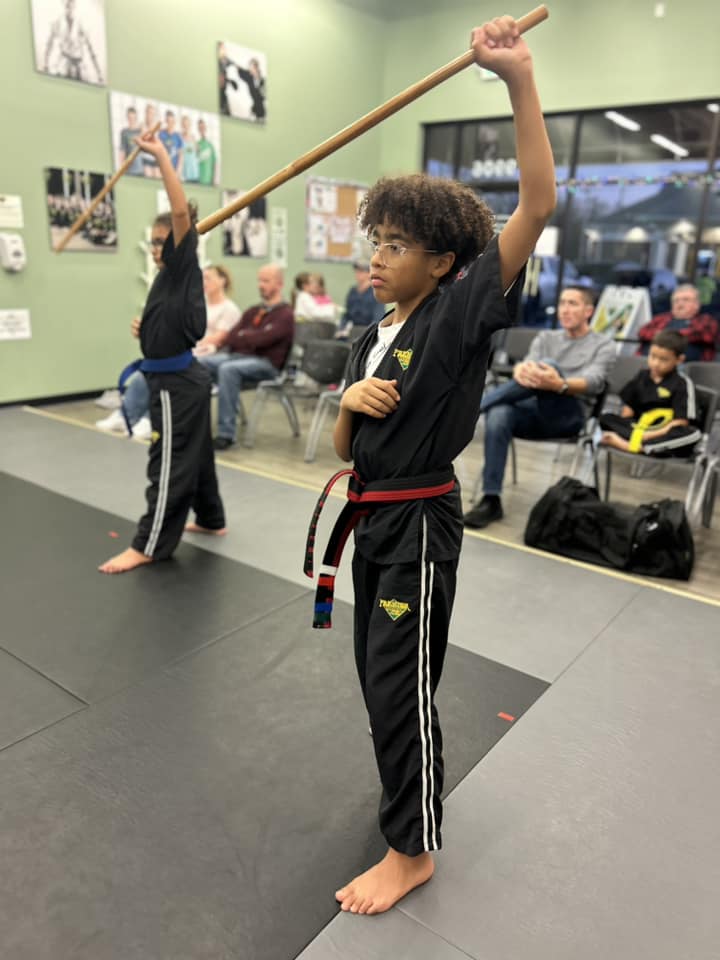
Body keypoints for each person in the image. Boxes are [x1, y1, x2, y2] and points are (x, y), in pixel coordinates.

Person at [314, 15, 556, 915]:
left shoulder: (457, 318)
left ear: (444, 260)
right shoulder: (369, 332)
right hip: (369, 513)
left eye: (396, 245)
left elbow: (536, 206)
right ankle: (403, 795)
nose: (376, 257)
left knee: (399, 682)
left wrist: (517, 79)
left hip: (417, 525)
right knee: (380, 680)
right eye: (374, 240)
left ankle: (412, 849)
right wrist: (349, 403)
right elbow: (344, 452)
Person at [99, 130, 225, 574]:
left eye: (162, 241)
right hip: (178, 378)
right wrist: (147, 329)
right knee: (197, 455)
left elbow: (179, 211)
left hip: (176, 385)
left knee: (168, 461)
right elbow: (174, 322)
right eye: (152, 242)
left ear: (177, 241)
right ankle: (211, 518)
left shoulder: (182, 263)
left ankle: (150, 543)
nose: (156, 248)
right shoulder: (167, 279)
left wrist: (159, 156)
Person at [463, 286, 616, 529]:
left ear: (588, 311)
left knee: (548, 364)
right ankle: (491, 500)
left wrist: (560, 384)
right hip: (534, 410)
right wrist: (520, 370)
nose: (565, 309)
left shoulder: (603, 345)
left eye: (573, 303)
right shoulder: (546, 338)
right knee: (500, 412)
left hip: (569, 415)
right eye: (562, 303)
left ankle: (473, 409)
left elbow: (594, 381)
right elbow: (525, 370)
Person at [97, 266, 241, 436]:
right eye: (201, 278)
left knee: (170, 375)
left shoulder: (229, 309)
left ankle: (152, 420)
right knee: (148, 370)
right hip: (188, 352)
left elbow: (219, 338)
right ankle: (126, 415)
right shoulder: (198, 305)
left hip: (209, 359)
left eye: (208, 278)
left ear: (222, 281)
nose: (203, 282)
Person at [199, 264, 294, 450]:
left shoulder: (285, 314)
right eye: (259, 280)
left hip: (267, 365)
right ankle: (194, 424)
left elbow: (264, 340)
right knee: (201, 363)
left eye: (266, 281)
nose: (261, 285)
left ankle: (226, 434)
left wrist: (246, 336)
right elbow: (232, 337)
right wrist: (250, 337)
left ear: (279, 284)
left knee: (228, 370)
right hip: (239, 357)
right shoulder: (252, 311)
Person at [600, 329, 701, 456]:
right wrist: (630, 429)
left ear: (679, 360)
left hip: (662, 432)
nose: (656, 363)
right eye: (653, 356)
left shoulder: (682, 384)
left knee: (692, 434)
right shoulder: (642, 376)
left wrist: (649, 435)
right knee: (606, 417)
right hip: (638, 428)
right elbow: (628, 409)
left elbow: (681, 422)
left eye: (663, 360)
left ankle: (636, 446)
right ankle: (635, 443)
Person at [637, 284, 718, 362]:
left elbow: (706, 335)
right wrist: (669, 336)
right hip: (645, 361)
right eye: (676, 301)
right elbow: (642, 332)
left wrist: (667, 336)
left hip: (686, 366)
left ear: (697, 304)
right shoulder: (661, 318)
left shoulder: (706, 320)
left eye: (686, 300)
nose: (680, 304)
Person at [41, 0, 103, 83]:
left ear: (74, 5)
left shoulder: (81, 23)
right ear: (63, 4)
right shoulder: (57, 22)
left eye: (71, 5)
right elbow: (49, 44)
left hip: (79, 65)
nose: (69, 8)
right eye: (67, 5)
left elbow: (91, 49)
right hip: (63, 65)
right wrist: (45, 63)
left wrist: (99, 72)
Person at [335, 261, 386, 337]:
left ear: (370, 273)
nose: (357, 273)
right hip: (352, 331)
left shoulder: (377, 293)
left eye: (361, 271)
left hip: (368, 333)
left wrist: (368, 335)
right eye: (356, 271)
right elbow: (346, 315)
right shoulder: (352, 291)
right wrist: (341, 329)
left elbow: (378, 318)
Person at [118, 106, 144, 176]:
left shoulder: (140, 131)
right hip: (129, 170)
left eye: (133, 118)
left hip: (141, 169)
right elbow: (122, 151)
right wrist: (121, 167)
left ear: (136, 118)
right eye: (130, 118)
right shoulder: (124, 132)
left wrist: (143, 128)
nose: (131, 120)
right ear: (127, 118)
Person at [196, 117, 217, 186]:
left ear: (206, 128)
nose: (202, 129)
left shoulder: (210, 145)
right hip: (198, 180)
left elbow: (215, 163)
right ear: (198, 129)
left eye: (203, 127)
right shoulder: (196, 144)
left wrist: (214, 179)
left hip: (209, 180)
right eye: (200, 128)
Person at [180, 114, 199, 183]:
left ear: (190, 125)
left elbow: (197, 153)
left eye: (187, 124)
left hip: (194, 172)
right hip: (184, 173)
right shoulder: (180, 137)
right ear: (182, 125)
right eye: (184, 124)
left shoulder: (194, 138)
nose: (186, 126)